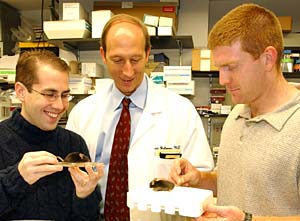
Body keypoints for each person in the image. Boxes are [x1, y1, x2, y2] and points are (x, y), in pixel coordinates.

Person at [66, 14, 214, 220]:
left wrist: (191, 179)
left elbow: (202, 180)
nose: (127, 71)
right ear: (103, 54)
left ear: (147, 53)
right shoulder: (82, 113)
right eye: (117, 60)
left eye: (135, 60)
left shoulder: (181, 110)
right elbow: (69, 178)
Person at [169, 3, 300, 221]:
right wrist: (199, 178)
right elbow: (233, 179)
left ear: (268, 58)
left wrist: (247, 220)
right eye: (220, 68)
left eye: (231, 67)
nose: (223, 79)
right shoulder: (237, 114)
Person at [0, 50, 104, 220]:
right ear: (21, 92)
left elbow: (88, 217)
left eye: (64, 95)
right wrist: (17, 178)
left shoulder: (73, 143)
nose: (59, 105)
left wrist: (85, 195)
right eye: (50, 94)